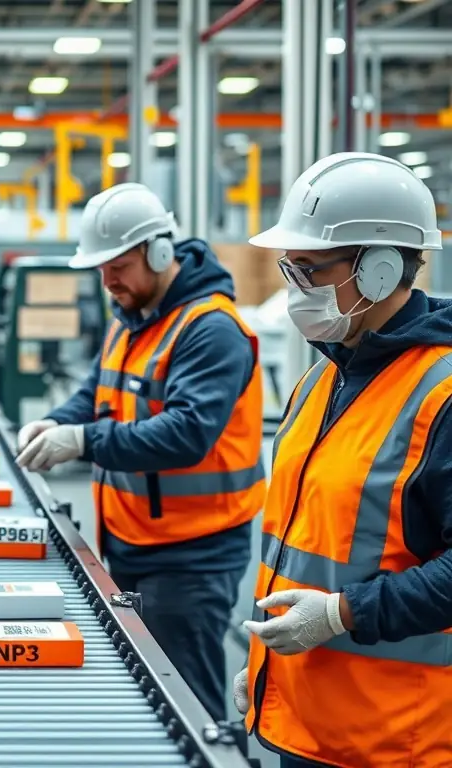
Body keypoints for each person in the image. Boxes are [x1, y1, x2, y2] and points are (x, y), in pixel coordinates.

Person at [16, 182, 266, 724]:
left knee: (188, 706)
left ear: (159, 252)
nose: (108, 281)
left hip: (192, 555)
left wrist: (83, 441)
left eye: (119, 266)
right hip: (130, 540)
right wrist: (57, 422)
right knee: (147, 693)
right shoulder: (131, 318)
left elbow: (186, 434)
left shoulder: (211, 330)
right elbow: (97, 391)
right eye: (101, 269)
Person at [232, 152, 452, 767]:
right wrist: (265, 671)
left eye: (308, 270)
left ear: (380, 271)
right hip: (302, 720)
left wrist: (340, 613)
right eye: (289, 269)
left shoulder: (442, 396)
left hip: (391, 740)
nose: (294, 289)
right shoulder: (320, 381)